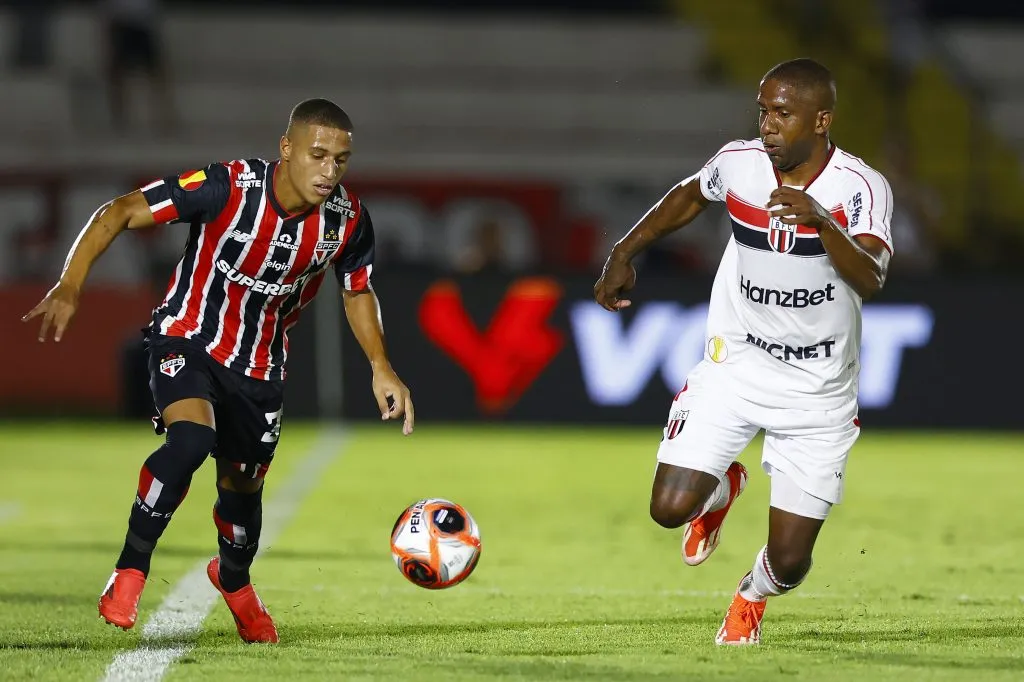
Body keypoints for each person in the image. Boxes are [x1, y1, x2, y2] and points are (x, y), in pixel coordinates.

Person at [22, 98, 414, 644]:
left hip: (259, 366)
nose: (329, 171)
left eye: (340, 160)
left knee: (241, 493)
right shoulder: (228, 186)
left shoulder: (346, 220)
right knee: (190, 439)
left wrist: (381, 366)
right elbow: (121, 210)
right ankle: (130, 568)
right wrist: (70, 281)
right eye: (317, 155)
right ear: (286, 148)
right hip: (188, 338)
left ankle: (233, 581)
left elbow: (357, 290)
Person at [594, 59, 892, 645]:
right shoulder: (740, 164)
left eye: (783, 113)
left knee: (789, 562)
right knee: (668, 508)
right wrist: (624, 252)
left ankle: (751, 594)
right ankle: (721, 486)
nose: (768, 125)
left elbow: (872, 277)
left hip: (818, 394)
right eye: (764, 110)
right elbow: (689, 194)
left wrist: (824, 223)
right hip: (737, 366)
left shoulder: (859, 188)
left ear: (821, 120)